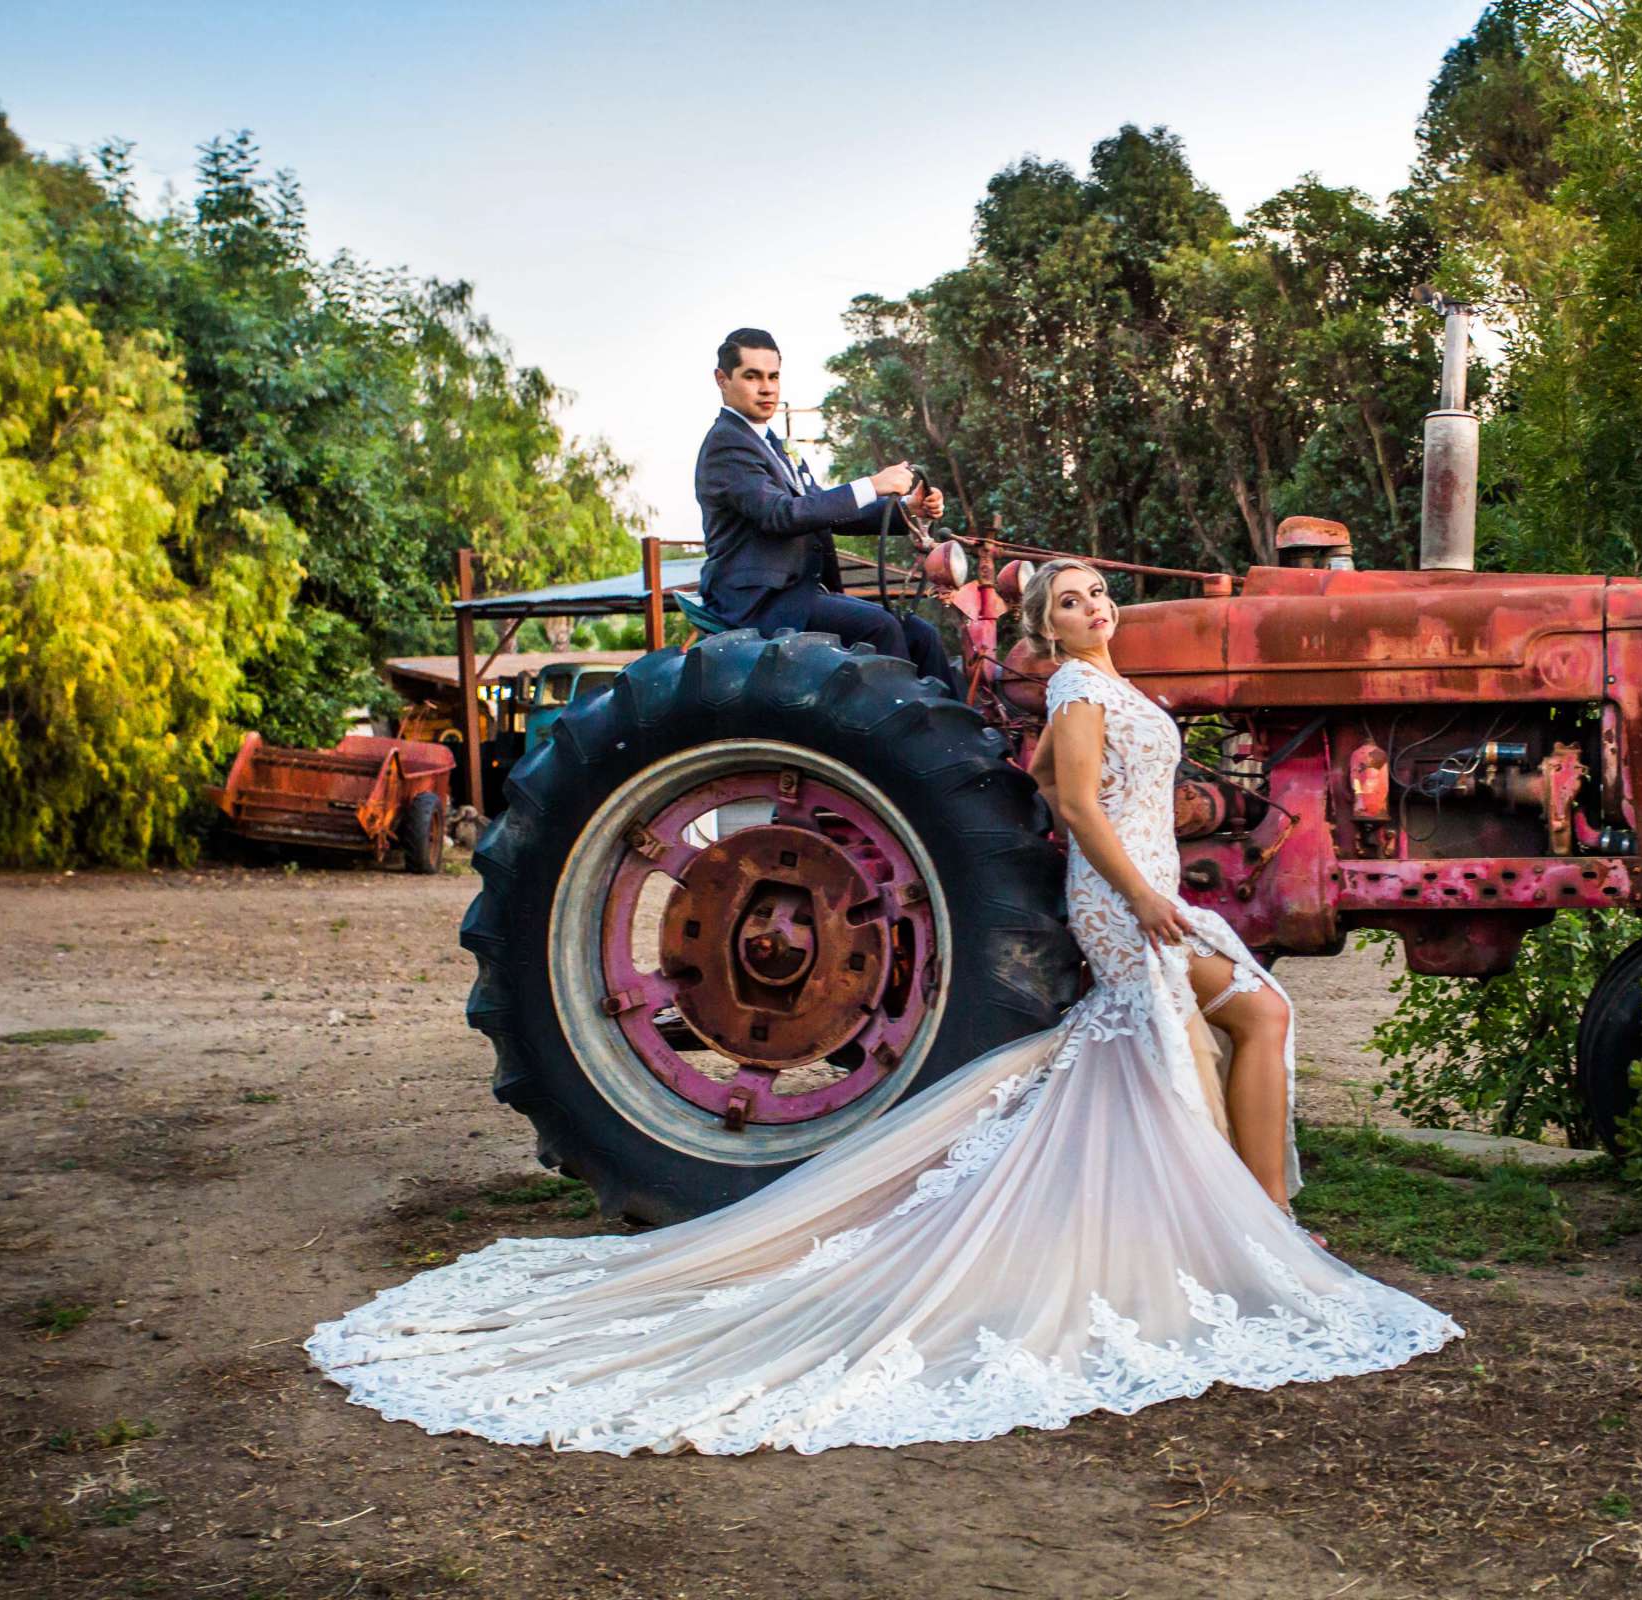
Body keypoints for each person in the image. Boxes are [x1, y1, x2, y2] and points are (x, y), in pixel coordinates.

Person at [306, 559, 1459, 1457]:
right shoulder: (1068, 686)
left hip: (1145, 889)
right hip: (1126, 897)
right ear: (1045, 623)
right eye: (1072, 598)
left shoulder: (1110, 681)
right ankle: (1259, 1234)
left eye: (1100, 593)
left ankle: (1253, 1227)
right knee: (1223, 1028)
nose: (1096, 606)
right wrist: (1146, 891)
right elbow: (1069, 799)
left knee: (1224, 1030)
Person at [694, 327, 955, 686]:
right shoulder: (727, 445)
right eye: (751, 376)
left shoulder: (771, 443)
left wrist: (907, 508)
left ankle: (954, 734)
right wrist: (872, 485)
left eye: (773, 376)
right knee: (880, 627)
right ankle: (895, 733)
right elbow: (782, 515)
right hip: (760, 601)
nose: (767, 388)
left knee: (919, 634)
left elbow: (826, 512)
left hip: (797, 595)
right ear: (722, 380)